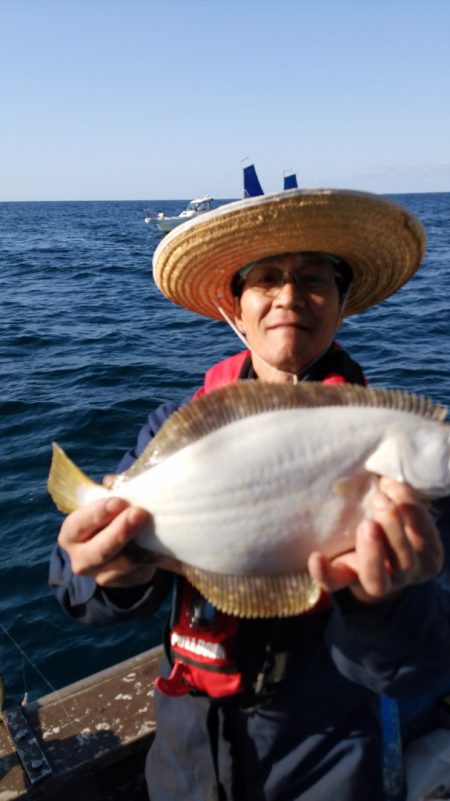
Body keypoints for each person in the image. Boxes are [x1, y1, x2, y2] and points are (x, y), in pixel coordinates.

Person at [49, 189, 450, 801]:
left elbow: (427, 660)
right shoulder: (171, 428)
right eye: (266, 279)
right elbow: (76, 591)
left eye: (315, 278)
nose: (289, 296)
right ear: (236, 305)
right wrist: (111, 575)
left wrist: (386, 606)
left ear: (342, 303)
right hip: (185, 761)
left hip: (331, 760)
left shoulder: (411, 465)